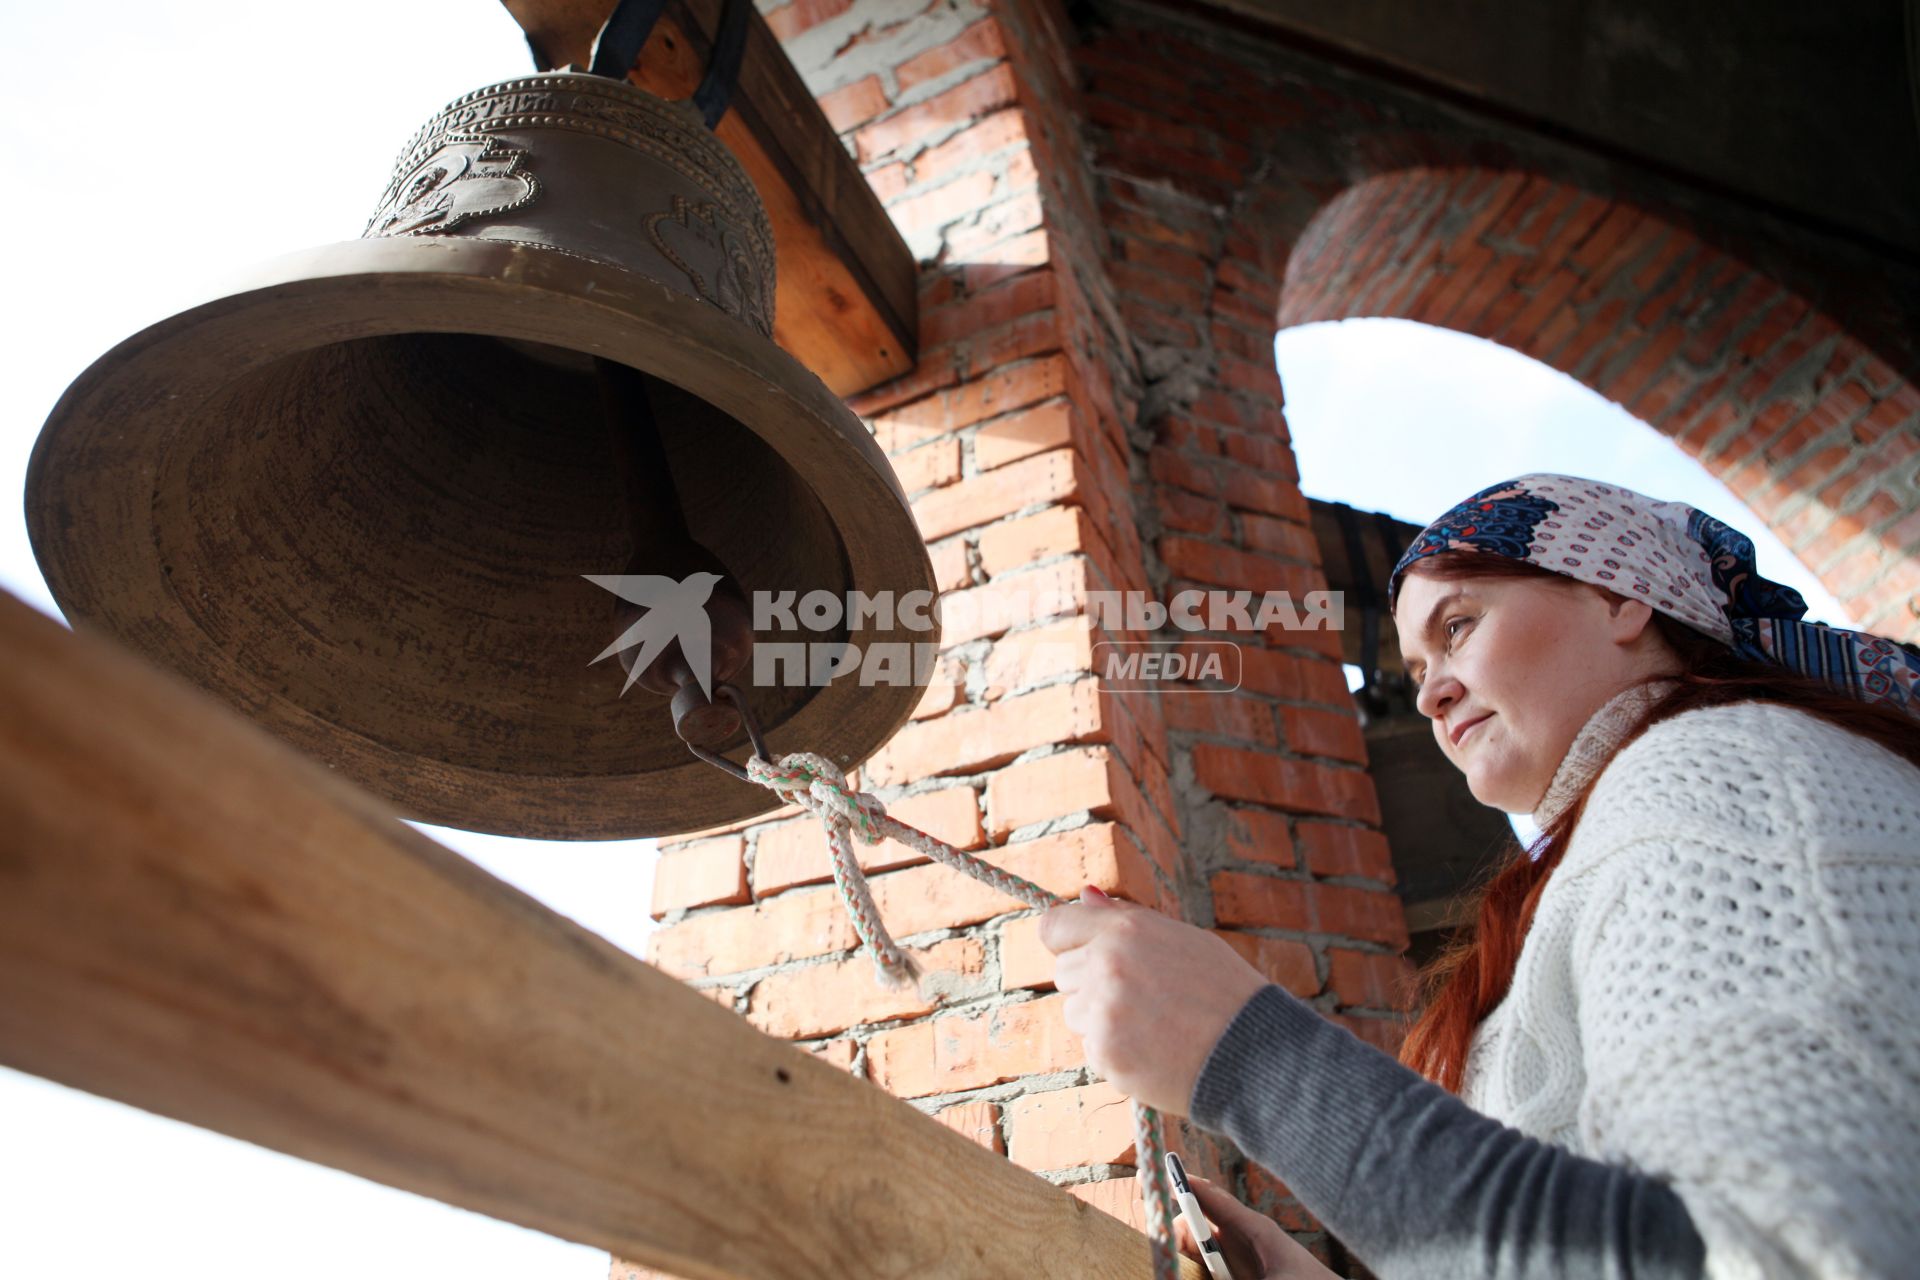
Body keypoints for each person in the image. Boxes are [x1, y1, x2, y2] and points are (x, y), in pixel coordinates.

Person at [1041, 474, 1920, 1279]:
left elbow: (1787, 1260)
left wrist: (1246, 1055)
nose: (1427, 695)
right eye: (1417, 670)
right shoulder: (1640, 827)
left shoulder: (1717, 773)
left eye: (1458, 627)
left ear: (1621, 595)